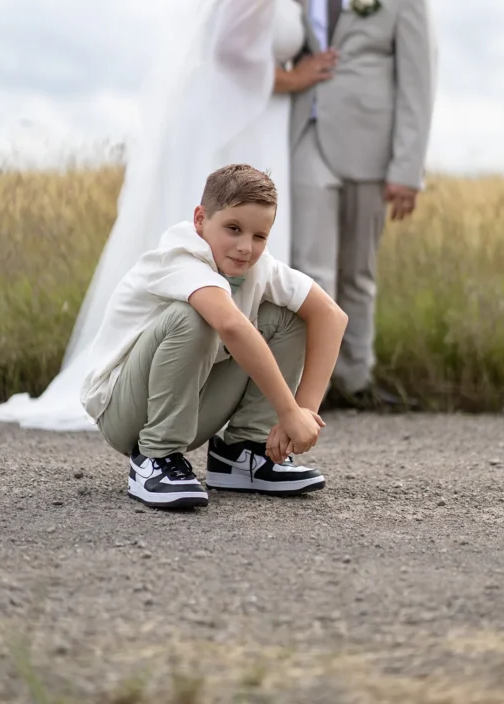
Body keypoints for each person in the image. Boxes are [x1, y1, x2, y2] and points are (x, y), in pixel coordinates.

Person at [0, 0, 335, 432]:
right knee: (235, 237)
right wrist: (298, 77)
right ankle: (206, 396)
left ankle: (223, 390)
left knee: (236, 242)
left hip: (232, 118)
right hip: (241, 123)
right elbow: (233, 58)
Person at [81, 163, 348, 509]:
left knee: (288, 317)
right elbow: (231, 325)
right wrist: (288, 411)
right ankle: (156, 456)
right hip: (125, 412)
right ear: (200, 219)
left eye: (259, 236)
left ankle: (244, 452)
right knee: (195, 316)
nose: (245, 247)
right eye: (233, 229)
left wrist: (305, 411)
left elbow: (330, 315)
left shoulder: (260, 266)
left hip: (192, 407)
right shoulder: (179, 257)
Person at [283, 0, 437, 408]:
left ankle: (355, 380)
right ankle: (310, 387)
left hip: (373, 148)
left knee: (359, 272)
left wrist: (407, 169)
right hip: (306, 133)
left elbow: (418, 82)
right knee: (310, 267)